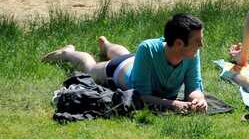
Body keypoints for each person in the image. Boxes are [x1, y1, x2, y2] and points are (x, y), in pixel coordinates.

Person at [42, 14, 206, 113]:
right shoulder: (147, 49)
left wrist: (198, 99)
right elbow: (141, 96)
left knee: (124, 53)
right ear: (178, 43)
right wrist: (175, 104)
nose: (201, 45)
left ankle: (105, 44)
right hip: (119, 69)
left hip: (136, 61)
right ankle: (68, 52)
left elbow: (193, 88)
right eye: (198, 41)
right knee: (90, 67)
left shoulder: (192, 53)